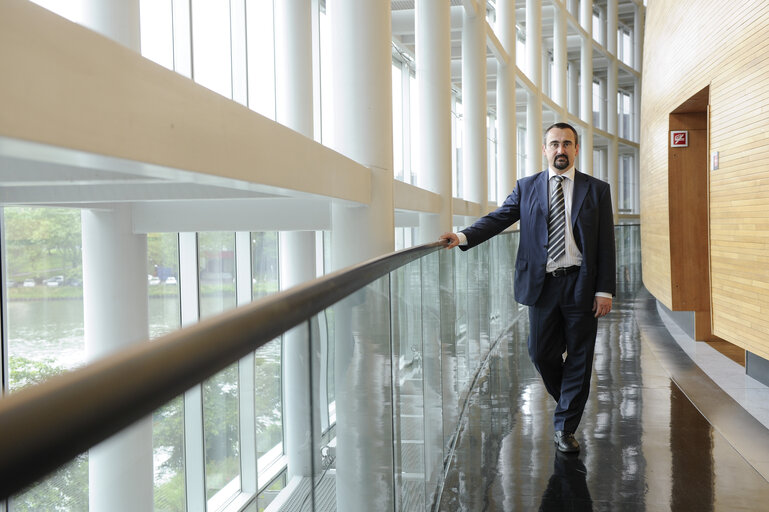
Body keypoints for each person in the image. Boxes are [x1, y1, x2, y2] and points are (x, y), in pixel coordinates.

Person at [440, 122, 616, 453]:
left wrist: (604, 290)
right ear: (544, 149)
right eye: (554, 144)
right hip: (543, 285)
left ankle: (564, 427)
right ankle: (569, 399)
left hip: (581, 282)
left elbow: (606, 242)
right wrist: (463, 236)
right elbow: (499, 218)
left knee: (579, 356)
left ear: (576, 149)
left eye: (567, 144)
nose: (560, 150)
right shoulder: (527, 187)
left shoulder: (597, 190)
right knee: (540, 353)